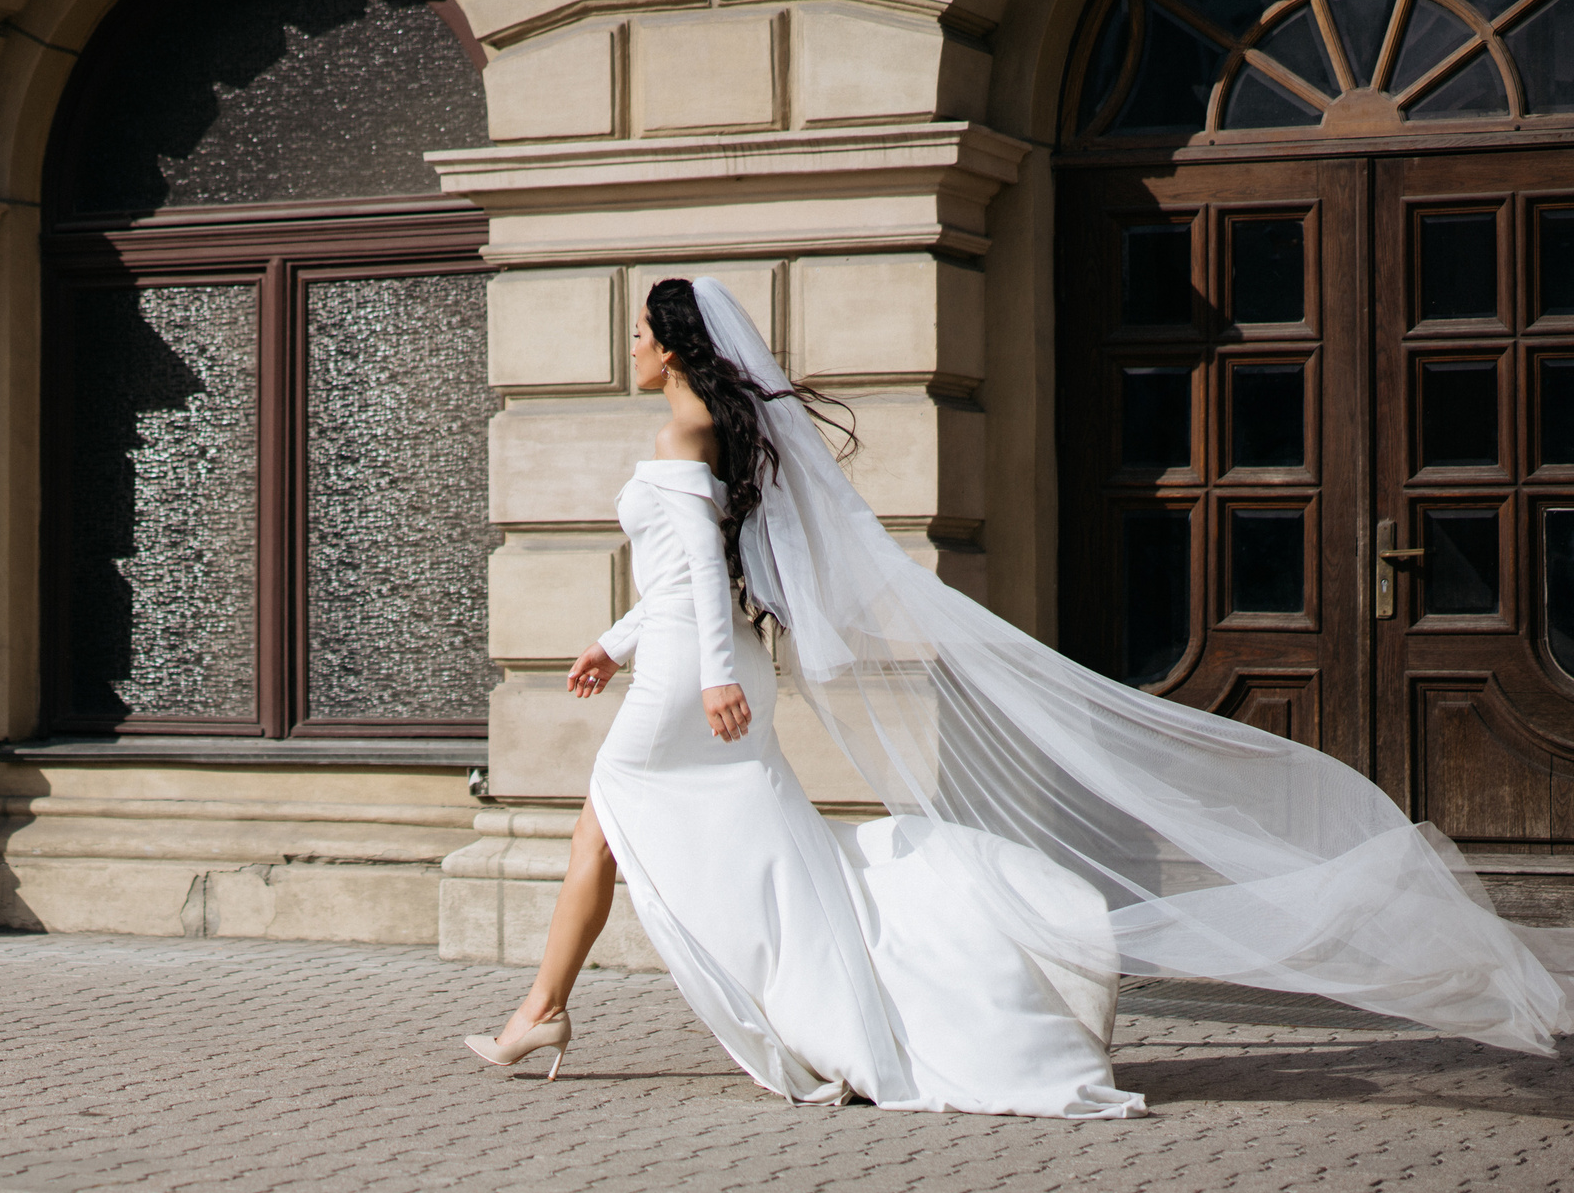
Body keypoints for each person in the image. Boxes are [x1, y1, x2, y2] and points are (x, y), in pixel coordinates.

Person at [464, 276, 1573, 1118]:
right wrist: (608, 642)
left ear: (675, 343)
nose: (633, 344)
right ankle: (546, 1009)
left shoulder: (687, 426)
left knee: (613, 833)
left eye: (644, 331)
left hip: (690, 677)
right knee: (689, 842)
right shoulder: (716, 431)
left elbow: (705, 579)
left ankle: (551, 1011)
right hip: (678, 663)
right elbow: (695, 566)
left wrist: (704, 675)